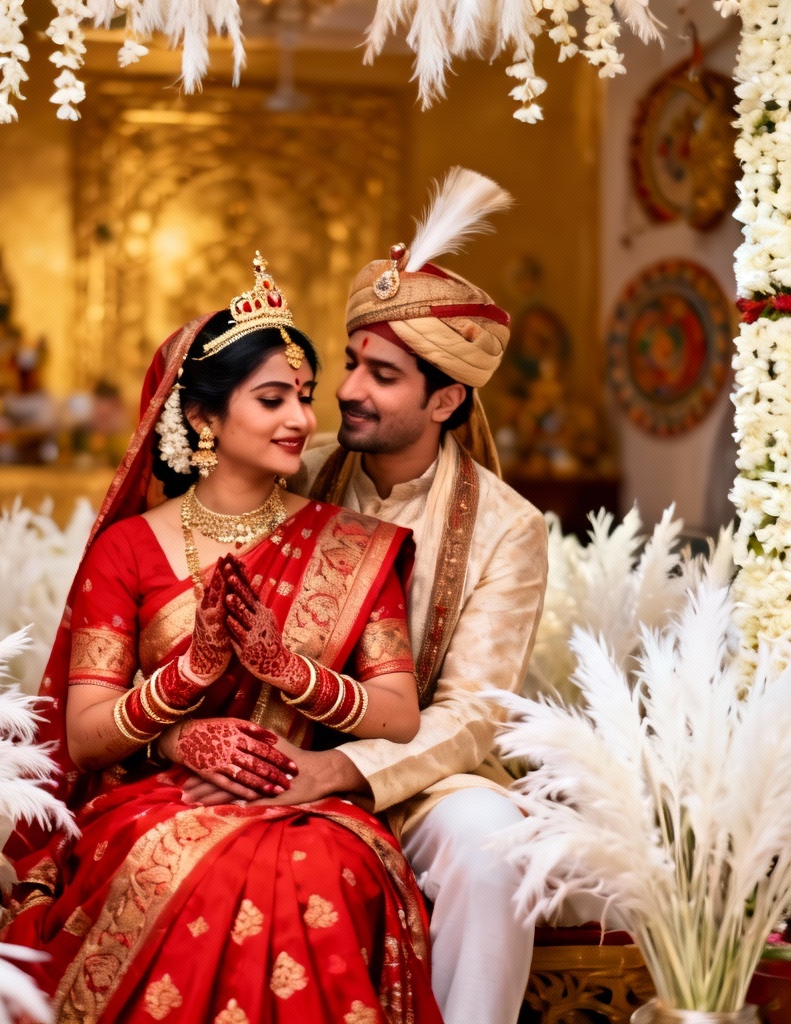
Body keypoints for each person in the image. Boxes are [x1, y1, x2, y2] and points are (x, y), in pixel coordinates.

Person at [0, 254, 444, 1024]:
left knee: (326, 876)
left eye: (304, 397)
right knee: (180, 874)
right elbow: (85, 735)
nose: (302, 420)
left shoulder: (349, 542)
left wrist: (287, 670)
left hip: (305, 800)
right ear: (202, 418)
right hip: (155, 801)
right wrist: (185, 693)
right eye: (273, 399)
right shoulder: (128, 551)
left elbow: (400, 713)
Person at [166, 171, 550, 1024]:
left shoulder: (506, 528)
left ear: (446, 399)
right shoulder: (295, 468)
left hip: (419, 780)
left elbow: (473, 715)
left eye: (382, 375)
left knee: (494, 849)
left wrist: (336, 771)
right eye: (350, 363)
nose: (346, 391)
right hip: (273, 743)